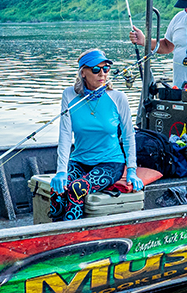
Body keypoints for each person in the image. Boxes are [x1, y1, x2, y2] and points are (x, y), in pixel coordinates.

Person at [50, 49, 142, 222]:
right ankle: (56, 235)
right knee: (57, 189)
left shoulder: (118, 97)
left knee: (77, 188)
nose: (102, 74)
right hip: (79, 160)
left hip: (110, 162)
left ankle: (74, 237)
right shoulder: (69, 95)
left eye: (106, 69)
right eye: (95, 69)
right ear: (83, 72)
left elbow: (129, 136)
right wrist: (61, 171)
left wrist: (132, 170)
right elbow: (64, 136)